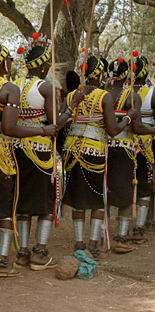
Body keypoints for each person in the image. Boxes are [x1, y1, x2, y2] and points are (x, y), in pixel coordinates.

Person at [0, 39, 57, 278]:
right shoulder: (8, 88)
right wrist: (42, 130)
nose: (11, 64)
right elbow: (9, 128)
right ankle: (2, 261)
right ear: (3, 62)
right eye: (8, 60)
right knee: (8, 205)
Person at [12, 35, 82, 270]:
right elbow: (56, 123)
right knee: (45, 202)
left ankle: (22, 252)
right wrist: (72, 105)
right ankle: (39, 252)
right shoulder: (46, 87)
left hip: (19, 150)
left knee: (22, 201)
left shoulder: (16, 86)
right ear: (42, 65)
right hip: (40, 152)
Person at [62, 56, 135, 259]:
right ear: (101, 74)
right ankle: (93, 244)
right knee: (97, 199)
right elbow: (112, 130)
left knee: (77, 200)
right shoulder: (104, 96)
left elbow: (62, 122)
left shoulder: (71, 96)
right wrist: (129, 118)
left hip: (72, 152)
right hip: (94, 153)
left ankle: (79, 243)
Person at [102, 58, 155, 253]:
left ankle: (101, 237)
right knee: (126, 193)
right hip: (126, 148)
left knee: (105, 190)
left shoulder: (103, 93)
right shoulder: (132, 96)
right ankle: (122, 238)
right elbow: (138, 127)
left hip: (104, 148)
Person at [131, 56, 153, 244]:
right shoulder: (151, 92)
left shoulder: (120, 91)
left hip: (122, 144)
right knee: (145, 185)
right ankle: (139, 228)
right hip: (145, 146)